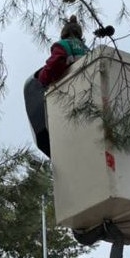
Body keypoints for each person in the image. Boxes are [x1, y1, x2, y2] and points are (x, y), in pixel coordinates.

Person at [24, 16, 89, 157]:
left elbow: (56, 63)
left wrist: (42, 79)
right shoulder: (87, 50)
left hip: (70, 92)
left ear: (63, 33)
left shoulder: (63, 45)